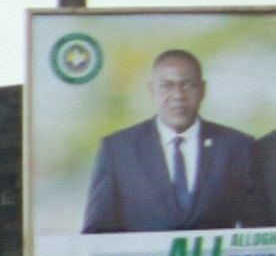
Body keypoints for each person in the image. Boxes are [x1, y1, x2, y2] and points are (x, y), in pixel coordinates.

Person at [80, 49, 261, 234]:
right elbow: (97, 233)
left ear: (202, 89)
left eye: (188, 85)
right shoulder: (119, 150)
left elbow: (258, 230)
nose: (178, 95)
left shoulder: (237, 147)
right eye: (167, 86)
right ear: (152, 90)